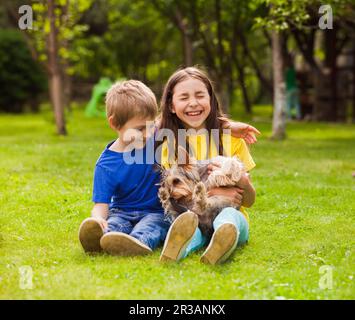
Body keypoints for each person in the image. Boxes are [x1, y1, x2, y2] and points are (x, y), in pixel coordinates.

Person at [157, 67, 256, 265]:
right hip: (194, 215)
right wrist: (215, 192)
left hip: (233, 213)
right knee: (190, 227)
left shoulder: (233, 141)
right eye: (184, 97)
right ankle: (176, 249)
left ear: (211, 100)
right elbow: (179, 193)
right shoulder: (170, 144)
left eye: (200, 95)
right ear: (171, 106)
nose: (193, 103)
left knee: (229, 217)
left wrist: (243, 181)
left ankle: (223, 238)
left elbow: (248, 201)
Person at [78, 80, 170, 256]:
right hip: (122, 212)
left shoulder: (156, 139)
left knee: (151, 226)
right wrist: (98, 219)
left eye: (150, 126)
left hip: (156, 211)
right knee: (114, 225)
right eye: (140, 129)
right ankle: (101, 239)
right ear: (114, 124)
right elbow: (101, 205)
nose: (148, 134)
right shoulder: (106, 164)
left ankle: (136, 242)